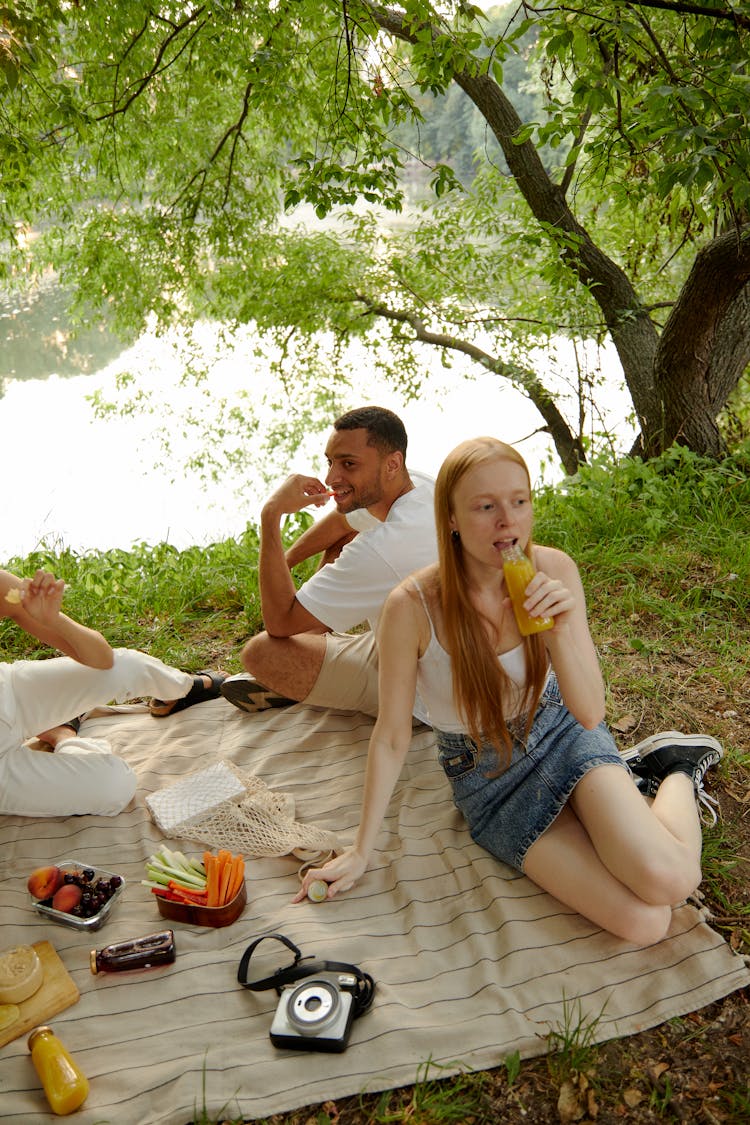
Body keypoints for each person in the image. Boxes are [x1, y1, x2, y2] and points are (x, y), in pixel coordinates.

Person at [295, 437, 723, 945]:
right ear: (450, 517)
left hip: (561, 730)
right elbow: (390, 736)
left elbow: (588, 714)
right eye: (486, 506)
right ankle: (630, 795)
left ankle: (672, 767)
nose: (509, 521)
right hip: (488, 775)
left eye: (519, 501)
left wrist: (560, 630)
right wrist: (361, 849)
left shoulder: (554, 570)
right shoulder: (410, 607)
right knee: (645, 923)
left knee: (671, 881)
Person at [221, 406, 437, 718]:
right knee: (346, 535)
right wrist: (286, 562)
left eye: (348, 464)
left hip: (424, 689)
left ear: (392, 463)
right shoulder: (416, 485)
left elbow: (279, 622)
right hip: (423, 641)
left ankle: (303, 673)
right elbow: (341, 522)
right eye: (330, 462)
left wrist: (271, 515)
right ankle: (316, 635)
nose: (331, 478)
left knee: (262, 653)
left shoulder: (385, 547)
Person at [0, 568, 225, 818]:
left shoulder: (3, 587)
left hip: (9, 693)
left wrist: (53, 620)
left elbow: (103, 659)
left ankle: (182, 688)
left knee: (128, 667)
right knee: (115, 785)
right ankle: (63, 735)